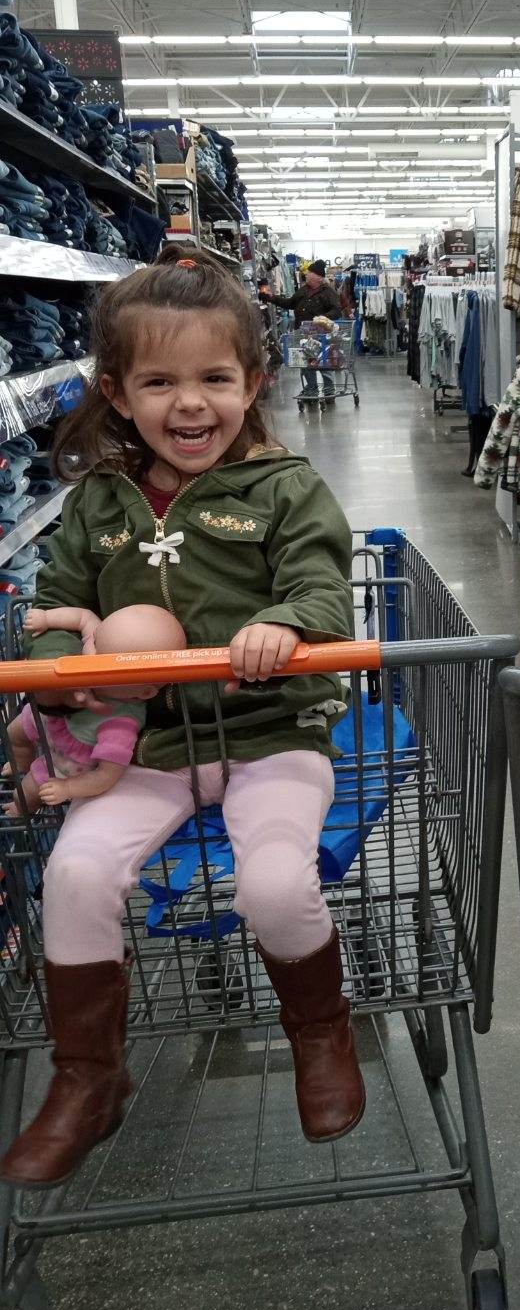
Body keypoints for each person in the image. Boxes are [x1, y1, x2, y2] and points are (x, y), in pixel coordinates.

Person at [0, 245, 365, 1191]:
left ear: (255, 380)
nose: (189, 404)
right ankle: (89, 1076)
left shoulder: (286, 490)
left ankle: (321, 1033)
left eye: (214, 377)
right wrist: (57, 680)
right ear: (118, 395)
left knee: (276, 885)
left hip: (272, 733)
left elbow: (323, 585)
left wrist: (286, 623)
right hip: (146, 747)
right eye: (159, 382)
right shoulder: (95, 506)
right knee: (76, 874)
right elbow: (54, 607)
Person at [3, 603, 186, 815]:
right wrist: (47, 618)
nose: (88, 657)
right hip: (52, 717)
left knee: (26, 793)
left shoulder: (121, 724)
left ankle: (21, 810)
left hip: (68, 761)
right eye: (95, 641)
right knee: (13, 733)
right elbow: (83, 617)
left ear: (144, 692)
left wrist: (67, 788)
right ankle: (21, 762)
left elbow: (107, 776)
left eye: (103, 663)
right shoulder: (105, 639)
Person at [260, 260, 340, 402]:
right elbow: (289, 303)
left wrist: (322, 318)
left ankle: (329, 392)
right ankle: (312, 390)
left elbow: (336, 310)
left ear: (319, 277)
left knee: (324, 362)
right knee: (306, 363)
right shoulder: (303, 290)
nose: (306, 275)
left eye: (310, 273)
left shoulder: (328, 292)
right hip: (302, 334)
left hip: (321, 335)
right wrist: (270, 298)